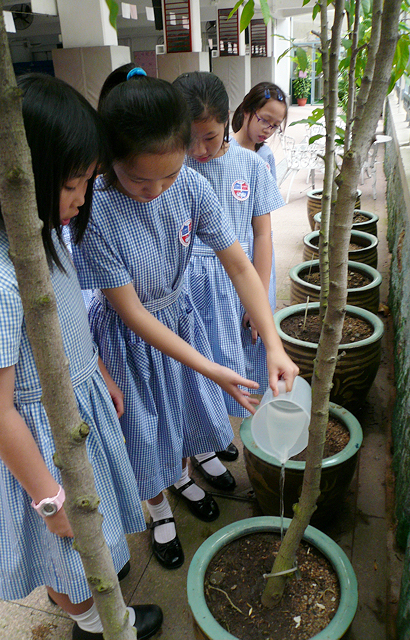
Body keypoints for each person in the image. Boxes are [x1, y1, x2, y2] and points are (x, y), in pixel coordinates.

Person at [0, 73, 162, 640]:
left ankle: (97, 600)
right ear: (25, 173)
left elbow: (62, 318)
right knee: (68, 553)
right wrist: (49, 499)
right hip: (42, 440)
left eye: (87, 184)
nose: (81, 200)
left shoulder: (39, 229)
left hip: (81, 405)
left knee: (92, 539)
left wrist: (95, 368)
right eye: (72, 185)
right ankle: (96, 622)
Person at [71, 66, 299, 572]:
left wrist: (274, 343)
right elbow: (129, 311)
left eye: (169, 174)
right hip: (131, 342)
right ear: (110, 161)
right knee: (145, 429)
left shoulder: (191, 187)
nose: (156, 190)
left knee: (178, 414)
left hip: (180, 321)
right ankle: (158, 510)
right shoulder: (98, 211)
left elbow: (239, 262)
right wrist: (214, 369)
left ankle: (181, 476)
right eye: (138, 177)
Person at [173, 72, 286, 422]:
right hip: (188, 281)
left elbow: (263, 235)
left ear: (226, 120)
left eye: (209, 137)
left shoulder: (251, 165)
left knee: (239, 358)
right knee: (195, 366)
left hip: (240, 279)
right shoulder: (174, 166)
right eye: (189, 139)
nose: (199, 150)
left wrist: (261, 296)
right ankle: (204, 445)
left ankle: (222, 432)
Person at [231, 81, 288, 183]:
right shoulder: (224, 150)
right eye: (265, 120)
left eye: (275, 126)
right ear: (246, 111)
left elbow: (272, 195)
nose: (268, 130)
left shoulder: (266, 154)